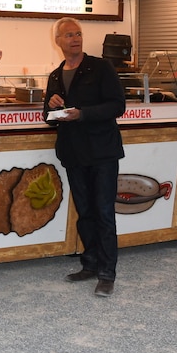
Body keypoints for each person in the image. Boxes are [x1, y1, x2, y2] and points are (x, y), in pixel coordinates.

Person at [43, 17, 125, 297]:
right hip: (74, 153)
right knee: (86, 212)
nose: (75, 39)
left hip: (102, 151)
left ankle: (107, 273)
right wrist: (53, 107)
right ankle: (89, 264)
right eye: (68, 35)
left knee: (103, 212)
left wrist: (83, 114)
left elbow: (117, 105)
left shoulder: (101, 67)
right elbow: (49, 118)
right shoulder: (55, 75)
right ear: (58, 42)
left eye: (78, 34)